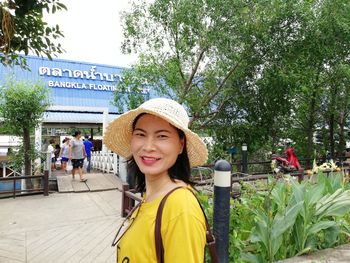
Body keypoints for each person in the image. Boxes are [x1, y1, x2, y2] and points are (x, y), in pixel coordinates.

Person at [104, 98, 209, 262]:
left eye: (162, 136)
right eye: (140, 134)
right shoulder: (152, 197)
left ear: (181, 145)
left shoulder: (181, 208)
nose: (148, 147)